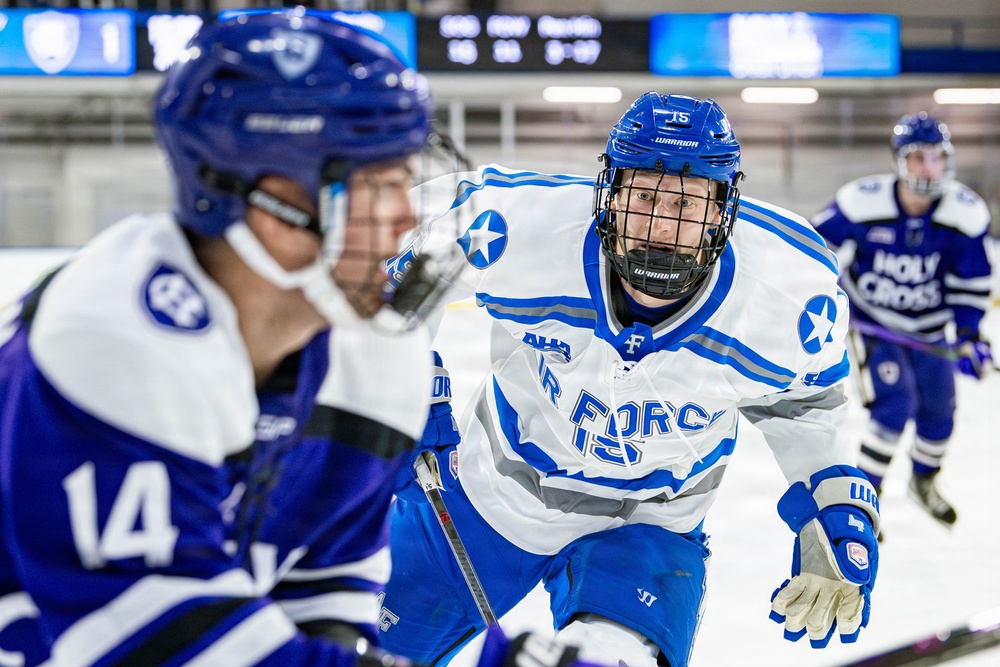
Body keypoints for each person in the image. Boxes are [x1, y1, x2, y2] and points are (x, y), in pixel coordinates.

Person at [0, 12, 586, 667]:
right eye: (382, 187)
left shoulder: (379, 356)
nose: (407, 218)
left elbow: (321, 596)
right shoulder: (111, 338)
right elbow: (158, 643)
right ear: (275, 207)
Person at [378, 92, 880, 667]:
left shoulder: (786, 291)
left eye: (687, 202)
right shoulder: (522, 226)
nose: (661, 226)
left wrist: (830, 497)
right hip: (488, 495)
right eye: (644, 196)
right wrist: (397, 387)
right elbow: (382, 252)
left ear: (722, 211)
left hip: (651, 522)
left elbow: (807, 401)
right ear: (610, 193)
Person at [810, 112, 993, 528]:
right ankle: (863, 504)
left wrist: (970, 336)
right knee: (894, 407)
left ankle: (923, 483)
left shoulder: (964, 213)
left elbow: (971, 283)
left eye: (937, 158)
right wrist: (819, 296)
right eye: (918, 158)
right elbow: (812, 250)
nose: (929, 169)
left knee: (940, 413)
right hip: (874, 325)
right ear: (898, 161)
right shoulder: (861, 202)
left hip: (930, 331)